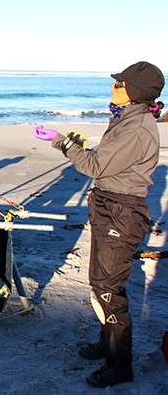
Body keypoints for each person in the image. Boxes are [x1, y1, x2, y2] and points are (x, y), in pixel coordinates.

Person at [34, 61, 165, 388]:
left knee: (108, 289)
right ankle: (106, 344)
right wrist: (76, 144)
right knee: (100, 281)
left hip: (122, 211)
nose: (112, 87)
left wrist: (63, 142)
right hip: (110, 206)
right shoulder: (128, 119)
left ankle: (120, 364)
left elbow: (94, 165)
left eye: (118, 84)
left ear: (133, 93)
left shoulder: (135, 128)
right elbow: (106, 160)